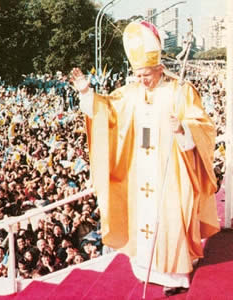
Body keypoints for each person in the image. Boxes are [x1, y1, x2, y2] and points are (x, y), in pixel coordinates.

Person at [70, 21, 220, 296]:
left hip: (172, 169)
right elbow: (108, 113)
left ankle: (175, 275)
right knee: (145, 220)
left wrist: (183, 129)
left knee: (173, 218)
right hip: (141, 173)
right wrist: (86, 93)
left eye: (147, 76)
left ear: (160, 69)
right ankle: (146, 267)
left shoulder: (180, 91)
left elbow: (204, 127)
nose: (142, 81)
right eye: (138, 76)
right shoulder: (132, 93)